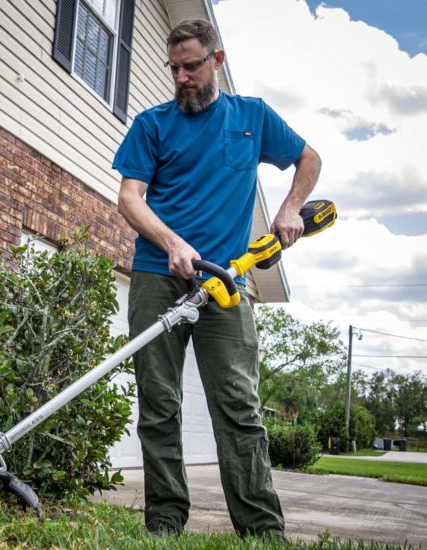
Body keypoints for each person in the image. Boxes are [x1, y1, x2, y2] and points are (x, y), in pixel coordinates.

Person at [113, 18, 321, 540]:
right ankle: (164, 520)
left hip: (226, 284)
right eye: (174, 67)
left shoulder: (251, 117)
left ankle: (261, 528)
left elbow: (308, 158)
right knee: (159, 405)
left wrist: (291, 209)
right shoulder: (151, 124)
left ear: (217, 62)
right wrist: (172, 243)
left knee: (239, 405)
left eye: (191, 65)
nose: (181, 76)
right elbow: (129, 198)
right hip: (158, 276)